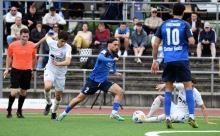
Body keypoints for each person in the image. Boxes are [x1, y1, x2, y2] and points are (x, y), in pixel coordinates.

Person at [56, 37, 125, 122]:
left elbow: (113, 62)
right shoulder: (104, 52)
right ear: (109, 45)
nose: (116, 46)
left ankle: (114, 113)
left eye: (117, 45)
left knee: (120, 91)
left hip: (103, 81)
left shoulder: (114, 54)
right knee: (79, 99)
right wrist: (111, 59)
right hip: (93, 81)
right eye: (115, 45)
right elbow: (100, 57)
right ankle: (63, 114)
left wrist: (115, 72)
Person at [151, 3, 197, 129]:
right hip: (182, 59)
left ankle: (167, 118)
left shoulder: (164, 24)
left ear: (172, 13)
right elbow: (192, 42)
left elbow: (155, 44)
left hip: (168, 60)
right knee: (188, 87)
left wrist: (155, 60)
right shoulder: (185, 24)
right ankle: (192, 117)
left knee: (168, 89)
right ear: (183, 13)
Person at [34, 31, 72, 120]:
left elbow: (68, 62)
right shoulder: (52, 42)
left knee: (58, 97)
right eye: (62, 41)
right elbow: (46, 37)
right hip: (50, 69)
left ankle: (54, 113)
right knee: (47, 87)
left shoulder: (67, 47)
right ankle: (48, 103)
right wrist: (37, 43)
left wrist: (57, 63)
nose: (64, 43)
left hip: (61, 74)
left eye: (65, 41)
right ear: (58, 39)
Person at [144, 79, 216, 125]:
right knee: (160, 98)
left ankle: (144, 120)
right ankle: (148, 116)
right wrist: (164, 85)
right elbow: (172, 85)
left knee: (165, 116)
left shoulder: (196, 94)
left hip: (182, 115)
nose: (191, 87)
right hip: (175, 108)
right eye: (190, 85)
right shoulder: (182, 86)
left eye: (193, 86)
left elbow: (203, 107)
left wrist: (207, 121)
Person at [4, 28, 37, 118]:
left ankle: (19, 111)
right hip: (16, 70)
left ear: (28, 36)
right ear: (20, 36)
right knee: (14, 92)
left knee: (23, 92)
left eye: (26, 37)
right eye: (23, 36)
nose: (25, 38)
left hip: (27, 71)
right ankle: (9, 109)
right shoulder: (13, 45)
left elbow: (34, 57)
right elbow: (9, 56)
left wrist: (34, 70)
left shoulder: (32, 45)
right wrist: (7, 69)